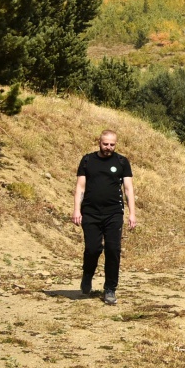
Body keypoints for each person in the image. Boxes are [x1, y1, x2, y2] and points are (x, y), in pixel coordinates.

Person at [71, 129, 136, 305]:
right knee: (93, 248)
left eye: (112, 144)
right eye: (105, 144)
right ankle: (87, 275)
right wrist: (77, 210)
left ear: (116, 144)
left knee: (113, 250)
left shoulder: (122, 162)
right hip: (90, 213)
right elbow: (80, 188)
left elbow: (128, 189)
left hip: (114, 213)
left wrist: (132, 213)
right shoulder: (88, 160)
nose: (108, 147)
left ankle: (110, 289)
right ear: (99, 142)